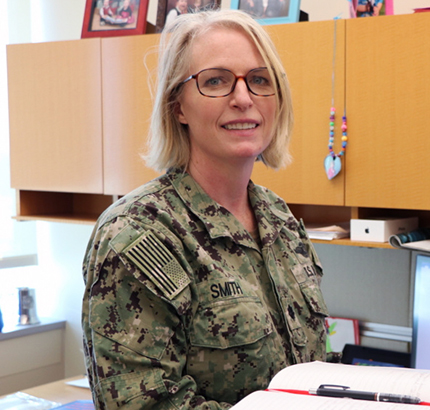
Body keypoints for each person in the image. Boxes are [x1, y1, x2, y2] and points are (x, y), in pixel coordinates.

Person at [81, 9, 329, 409]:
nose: (244, 99)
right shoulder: (141, 232)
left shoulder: (280, 220)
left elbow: (311, 368)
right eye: (216, 81)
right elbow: (144, 404)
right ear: (178, 106)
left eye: (259, 80)